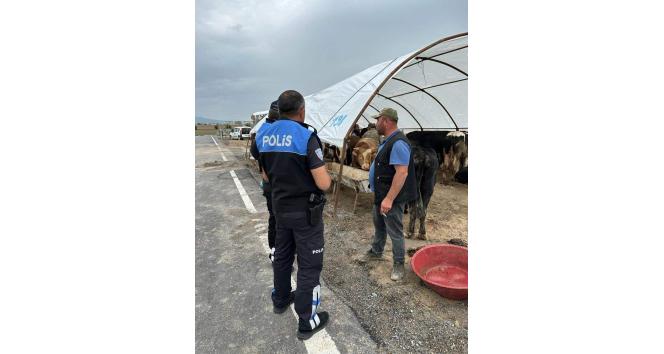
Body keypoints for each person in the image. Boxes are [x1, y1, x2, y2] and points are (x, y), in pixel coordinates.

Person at [256, 90, 332, 340]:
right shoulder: (306, 136)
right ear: (301, 111)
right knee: (309, 265)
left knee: (282, 256)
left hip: (279, 209)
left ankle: (280, 298)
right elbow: (323, 184)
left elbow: (266, 176)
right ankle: (306, 320)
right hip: (305, 215)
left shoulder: (264, 135)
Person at [366, 107, 417, 281]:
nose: (375, 123)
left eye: (377, 119)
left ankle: (398, 265)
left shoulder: (398, 142)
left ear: (386, 121)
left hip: (391, 198)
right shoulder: (388, 140)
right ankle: (376, 251)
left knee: (395, 231)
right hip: (381, 194)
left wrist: (388, 199)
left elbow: (402, 172)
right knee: (379, 225)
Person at [250, 100, 279, 262]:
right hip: (281, 184)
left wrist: (264, 167)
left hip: (268, 183)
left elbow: (254, 153)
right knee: (281, 218)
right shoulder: (280, 130)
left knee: (273, 217)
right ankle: (282, 250)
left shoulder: (262, 130)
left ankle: (274, 249)